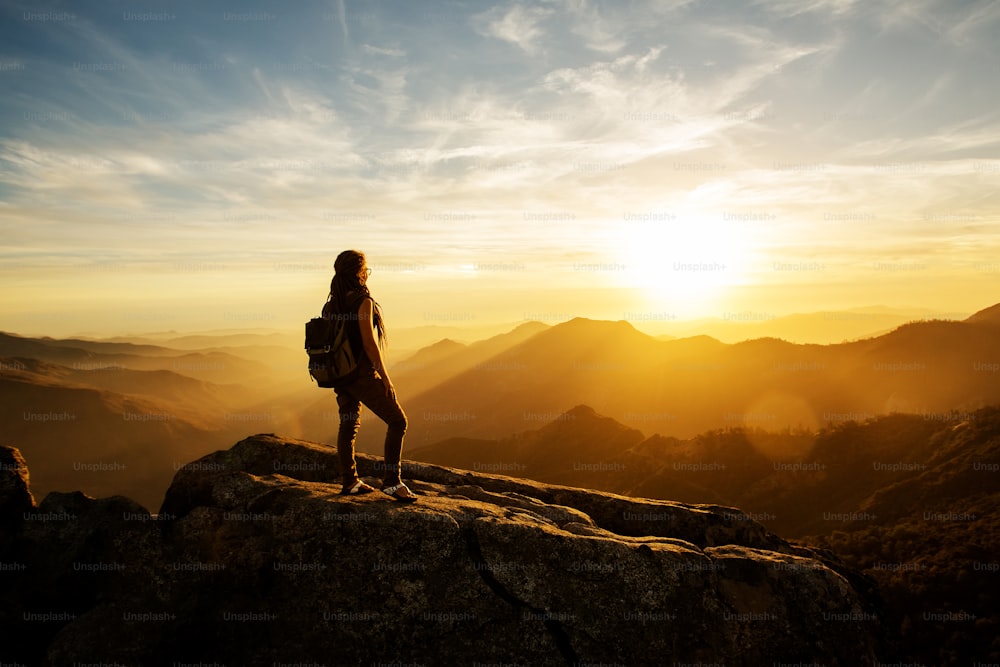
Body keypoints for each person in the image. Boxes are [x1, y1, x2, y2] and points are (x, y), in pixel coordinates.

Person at [323, 250, 417, 502]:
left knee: (348, 425)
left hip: (340, 375)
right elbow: (369, 343)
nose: (367, 274)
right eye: (366, 270)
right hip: (361, 375)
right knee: (398, 421)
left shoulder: (331, 304)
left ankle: (350, 481)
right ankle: (392, 482)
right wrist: (385, 377)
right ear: (358, 272)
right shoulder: (362, 302)